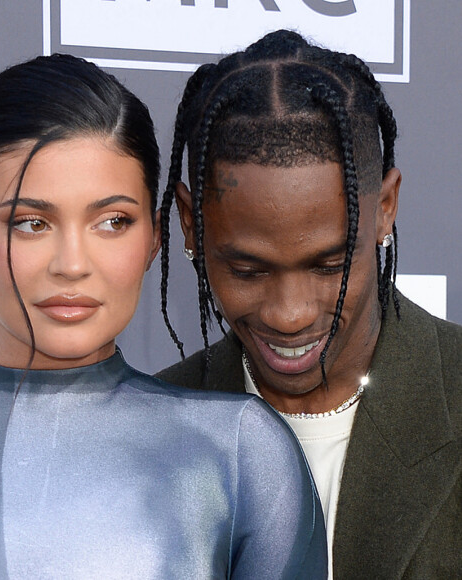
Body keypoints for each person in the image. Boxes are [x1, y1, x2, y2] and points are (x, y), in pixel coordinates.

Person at [0, 54, 326, 578]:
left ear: (155, 236)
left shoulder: (238, 456)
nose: (72, 265)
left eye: (113, 221)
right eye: (30, 223)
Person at [157, 30, 462, 579]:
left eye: (328, 266)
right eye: (247, 270)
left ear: (385, 207)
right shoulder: (149, 433)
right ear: (190, 225)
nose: (289, 313)